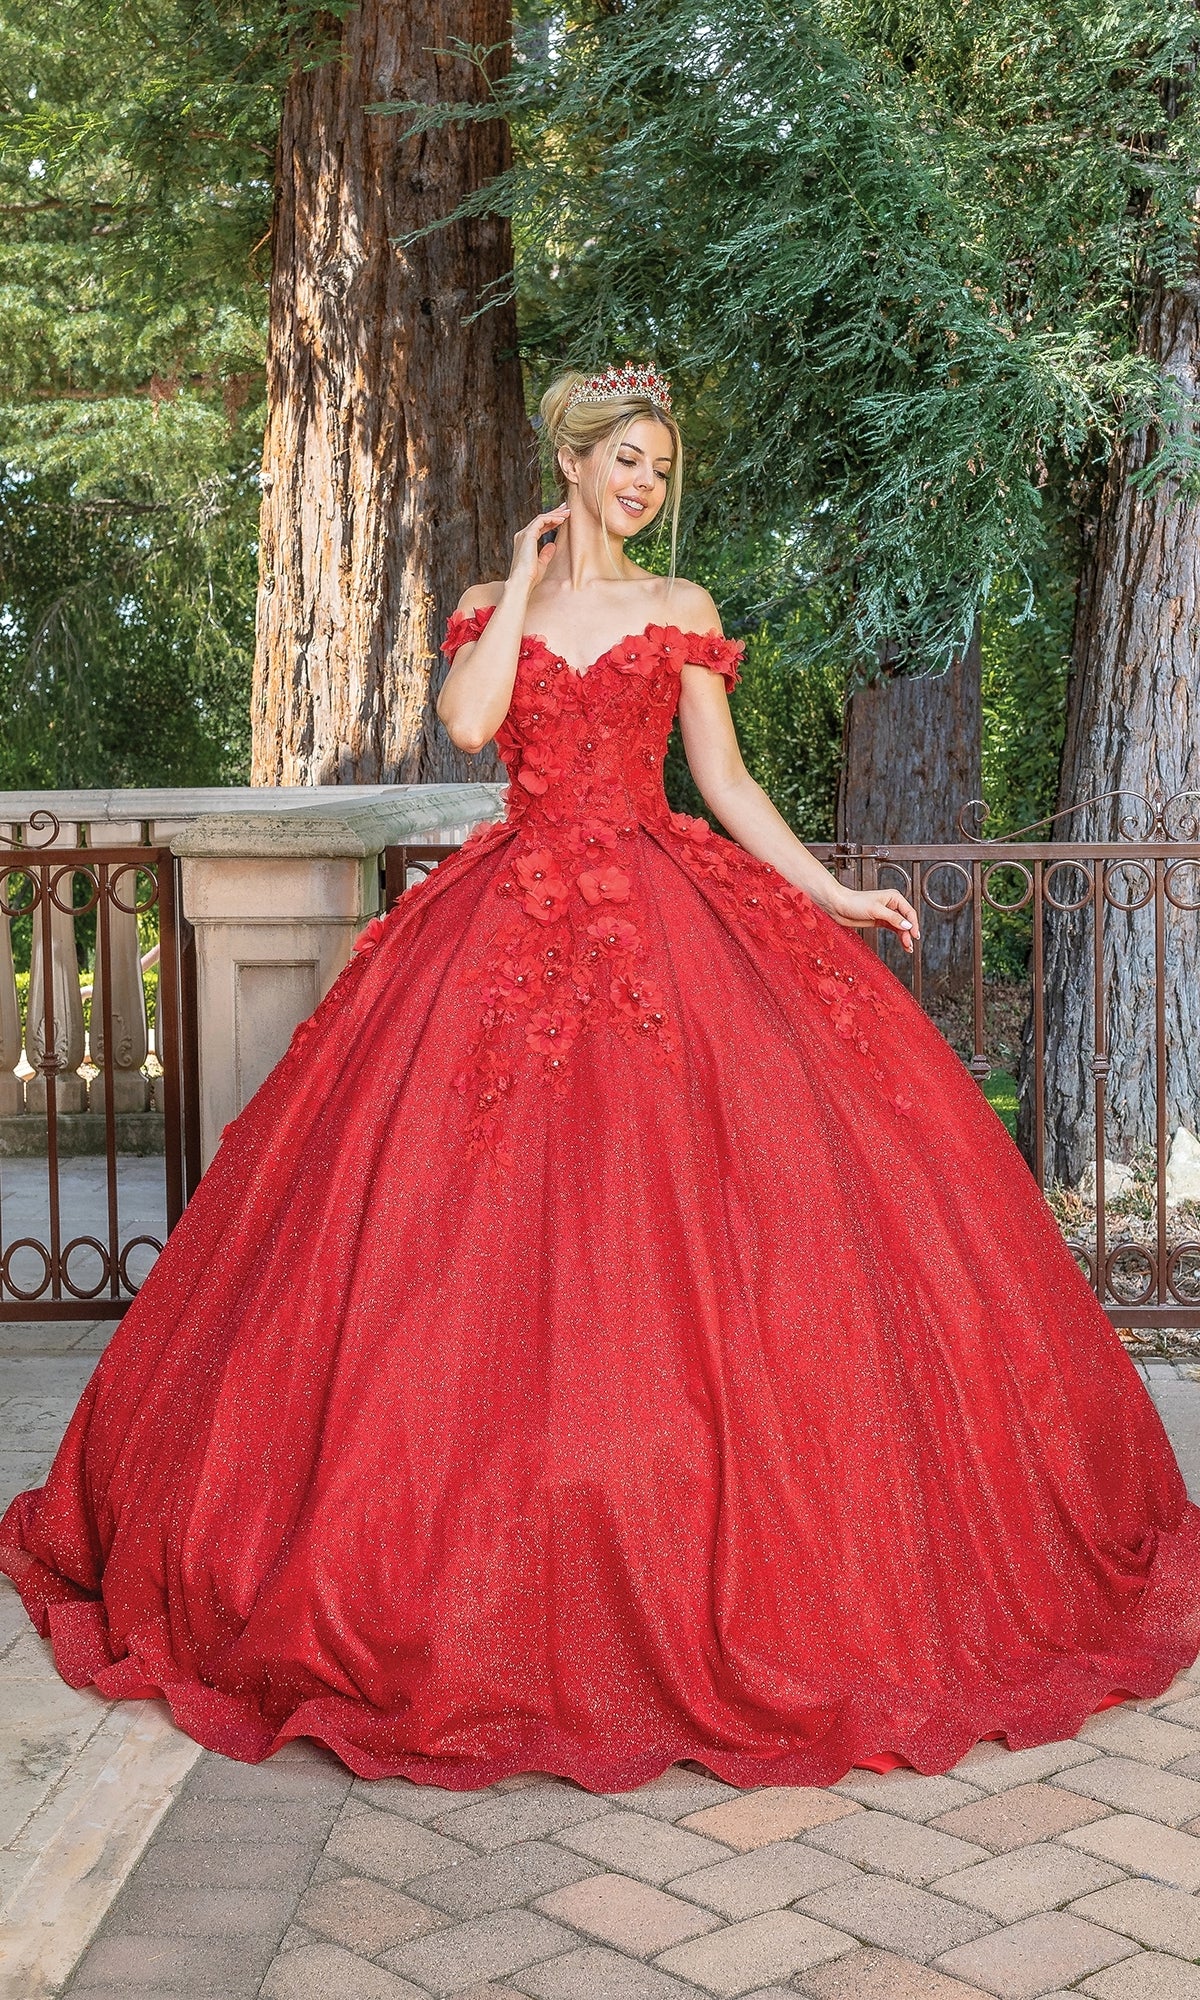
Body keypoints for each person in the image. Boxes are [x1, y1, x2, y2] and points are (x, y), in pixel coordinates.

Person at [2, 362, 1197, 1793]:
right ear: (571, 463)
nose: (643, 483)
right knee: (450, 1240)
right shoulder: (496, 605)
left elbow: (727, 783)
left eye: (656, 467)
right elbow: (463, 728)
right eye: (623, 460)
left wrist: (830, 895)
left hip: (660, 920)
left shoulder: (680, 610)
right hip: (502, 931)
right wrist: (516, 581)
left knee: (694, 1229)